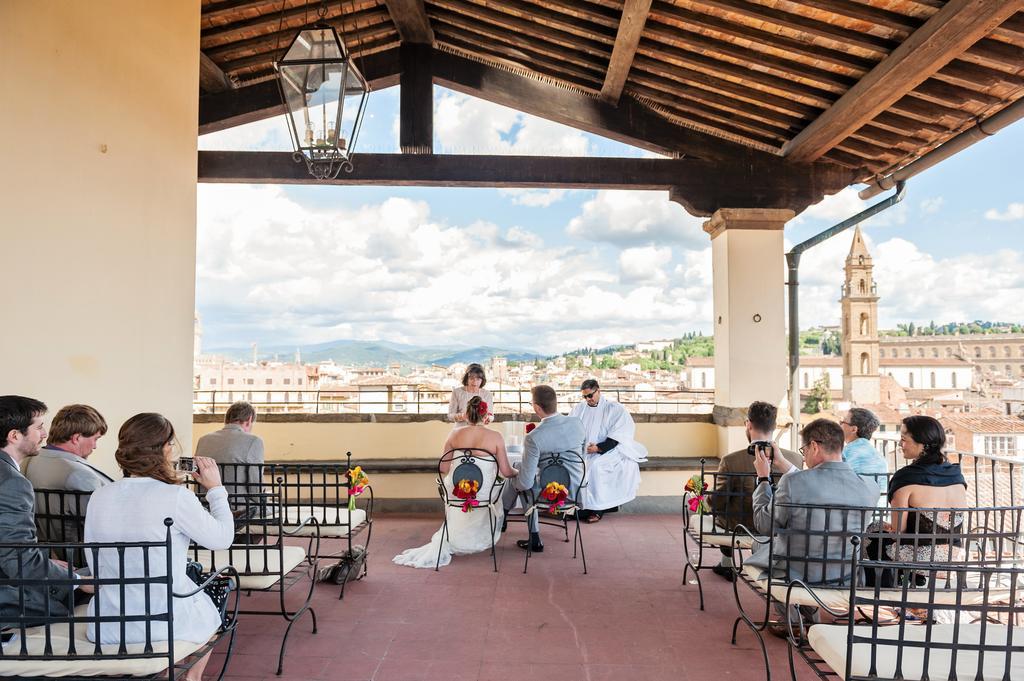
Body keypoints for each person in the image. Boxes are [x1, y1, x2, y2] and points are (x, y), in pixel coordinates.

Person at [84, 413, 234, 681]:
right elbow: (222, 539)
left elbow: (95, 564)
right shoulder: (176, 497)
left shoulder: (100, 495)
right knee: (214, 610)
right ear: (164, 449)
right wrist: (216, 489)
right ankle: (190, 677)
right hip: (164, 623)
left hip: (107, 624)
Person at [746, 419, 879, 637]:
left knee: (759, 545)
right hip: (846, 576)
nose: (804, 455)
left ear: (815, 446)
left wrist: (763, 479)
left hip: (797, 575)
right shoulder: (869, 487)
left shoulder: (792, 483)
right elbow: (819, 483)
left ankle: (792, 618)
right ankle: (807, 616)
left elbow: (764, 525)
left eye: (804, 449)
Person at [394, 396, 518, 569]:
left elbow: (443, 468)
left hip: (457, 492)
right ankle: (476, 537)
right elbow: (506, 471)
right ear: (486, 416)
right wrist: (517, 472)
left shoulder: (454, 434)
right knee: (498, 490)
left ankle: (456, 536)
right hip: (483, 494)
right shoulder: (495, 436)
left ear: (467, 414)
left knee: (455, 487)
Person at [863, 415, 967, 587]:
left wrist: (883, 526)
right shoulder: (957, 475)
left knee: (872, 534)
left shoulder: (906, 477)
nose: (900, 445)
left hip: (920, 555)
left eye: (903, 439)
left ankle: (885, 595)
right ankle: (911, 578)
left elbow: (898, 531)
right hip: (954, 554)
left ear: (923, 443)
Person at [0, 396, 77, 624]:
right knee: (73, 604)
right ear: (14, 436)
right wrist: (75, 580)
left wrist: (46, 561)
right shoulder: (12, 482)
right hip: (6, 594)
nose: (44, 434)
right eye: (39, 427)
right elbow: (16, 557)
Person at [708, 401, 802, 582]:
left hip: (740, 526)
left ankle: (727, 561)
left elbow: (719, 502)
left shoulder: (731, 460)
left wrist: (705, 501)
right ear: (774, 426)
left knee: (719, 513)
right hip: (780, 527)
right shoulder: (795, 459)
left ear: (748, 424)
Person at [504, 385, 586, 553]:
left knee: (519, 478)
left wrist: (515, 479)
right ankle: (502, 516)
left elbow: (526, 484)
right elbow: (582, 457)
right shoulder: (577, 423)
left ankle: (508, 520)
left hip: (547, 495)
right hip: (575, 491)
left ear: (537, 407)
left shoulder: (534, 437)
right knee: (519, 470)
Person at [569, 379, 646, 522]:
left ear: (598, 391)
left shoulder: (614, 409)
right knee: (572, 466)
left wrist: (598, 448)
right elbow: (571, 429)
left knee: (596, 467)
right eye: (585, 397)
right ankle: (577, 506)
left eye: (590, 395)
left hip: (609, 450)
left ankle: (597, 509)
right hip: (584, 450)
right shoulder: (579, 409)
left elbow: (619, 434)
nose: (588, 400)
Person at [194, 401, 264, 510]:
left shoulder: (203, 440)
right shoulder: (254, 441)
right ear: (249, 419)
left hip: (205, 503)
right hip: (237, 505)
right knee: (278, 509)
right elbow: (255, 485)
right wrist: (264, 502)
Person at [839, 407, 889, 493]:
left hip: (853, 503)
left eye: (843, 422)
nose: (840, 424)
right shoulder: (879, 456)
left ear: (853, 429)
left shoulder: (844, 453)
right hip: (877, 504)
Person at [447, 363, 493, 428]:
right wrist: (461, 416)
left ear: (482, 380)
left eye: (478, 379)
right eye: (471, 378)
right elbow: (450, 416)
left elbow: (491, 415)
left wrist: (488, 419)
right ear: (467, 379)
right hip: (461, 430)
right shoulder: (457, 392)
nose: (475, 382)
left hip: (480, 431)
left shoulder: (487, 394)